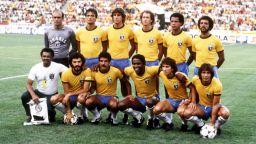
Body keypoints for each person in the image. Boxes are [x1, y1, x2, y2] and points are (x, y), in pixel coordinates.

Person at [178, 63, 230, 135]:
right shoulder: (195, 80)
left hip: (214, 107)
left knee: (225, 113)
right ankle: (200, 125)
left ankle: (216, 127)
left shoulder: (217, 84)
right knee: (186, 112)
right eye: (203, 72)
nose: (206, 75)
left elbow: (215, 105)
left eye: (208, 73)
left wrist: (212, 123)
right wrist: (192, 101)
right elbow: (193, 89)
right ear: (200, 74)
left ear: (211, 74)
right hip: (202, 107)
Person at [21, 48, 67, 125]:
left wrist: (84, 67)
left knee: (49, 115)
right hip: (39, 92)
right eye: (44, 56)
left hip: (52, 95)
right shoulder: (35, 68)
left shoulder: (58, 66)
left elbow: (71, 71)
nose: (45, 58)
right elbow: (28, 84)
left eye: (48, 56)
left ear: (52, 57)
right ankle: (29, 115)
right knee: (24, 96)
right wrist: (33, 95)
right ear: (41, 57)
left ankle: (52, 113)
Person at [106, 8, 136, 124]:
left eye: (119, 15)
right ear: (112, 17)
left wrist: (126, 56)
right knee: (110, 86)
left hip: (124, 62)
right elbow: (105, 47)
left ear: (123, 17)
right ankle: (112, 112)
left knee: (125, 86)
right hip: (112, 62)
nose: (116, 17)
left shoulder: (128, 30)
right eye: (114, 15)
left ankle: (126, 111)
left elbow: (133, 46)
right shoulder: (108, 30)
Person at [85, 52, 131, 125]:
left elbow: (126, 82)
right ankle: (97, 116)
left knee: (114, 105)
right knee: (88, 101)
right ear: (98, 61)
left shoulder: (116, 71)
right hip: (99, 97)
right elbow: (93, 86)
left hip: (111, 97)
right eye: (101, 61)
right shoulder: (94, 71)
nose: (103, 63)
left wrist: (129, 95)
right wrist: (89, 92)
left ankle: (113, 118)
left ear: (109, 62)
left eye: (105, 61)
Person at [118, 54, 160, 129]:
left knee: (149, 102)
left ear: (144, 64)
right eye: (134, 64)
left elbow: (164, 68)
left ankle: (151, 119)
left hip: (152, 98)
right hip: (140, 99)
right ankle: (139, 117)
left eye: (138, 64)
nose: (136, 66)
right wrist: (129, 94)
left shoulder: (151, 70)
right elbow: (120, 71)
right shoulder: (130, 70)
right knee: (121, 105)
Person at [153, 57, 195, 131]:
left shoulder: (180, 76)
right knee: (156, 109)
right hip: (171, 100)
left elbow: (192, 88)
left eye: (167, 67)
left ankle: (185, 125)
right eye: (163, 66)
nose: (164, 69)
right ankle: (169, 123)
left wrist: (190, 100)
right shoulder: (161, 73)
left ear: (172, 68)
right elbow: (151, 71)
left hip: (183, 101)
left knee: (181, 112)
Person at [50, 52, 92, 125]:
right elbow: (66, 93)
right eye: (74, 62)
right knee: (53, 99)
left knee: (81, 97)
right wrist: (69, 111)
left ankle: (81, 116)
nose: (77, 64)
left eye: (79, 62)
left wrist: (69, 94)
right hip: (71, 97)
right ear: (70, 63)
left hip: (82, 95)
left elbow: (85, 90)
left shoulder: (87, 71)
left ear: (82, 62)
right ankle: (69, 113)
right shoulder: (65, 74)